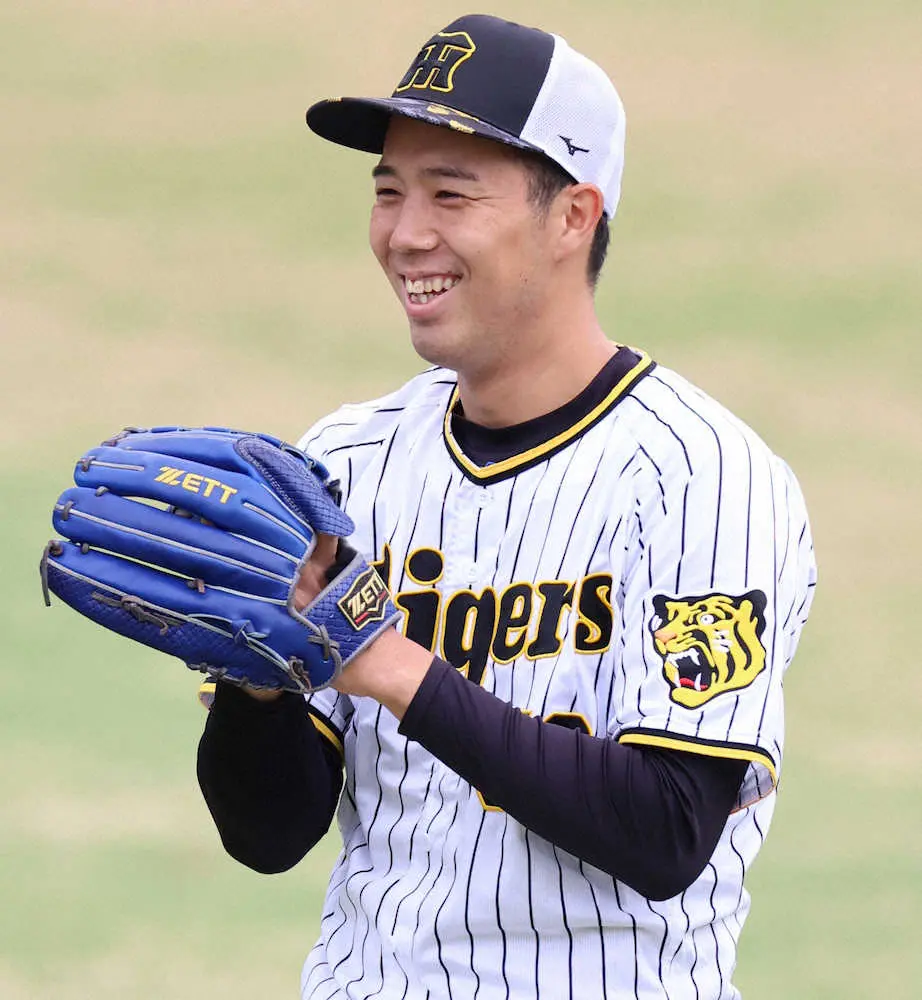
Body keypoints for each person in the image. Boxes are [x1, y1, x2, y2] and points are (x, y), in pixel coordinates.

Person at [196, 13, 817, 999]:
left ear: (572, 216)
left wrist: (391, 664)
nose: (406, 233)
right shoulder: (342, 465)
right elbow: (268, 835)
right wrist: (256, 683)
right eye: (389, 191)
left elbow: (665, 829)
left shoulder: (703, 476)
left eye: (451, 193)